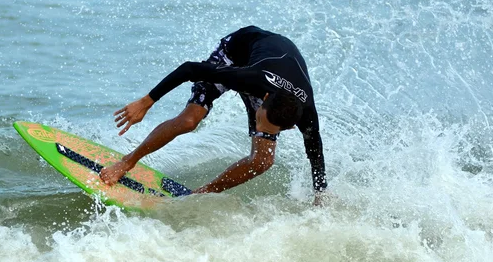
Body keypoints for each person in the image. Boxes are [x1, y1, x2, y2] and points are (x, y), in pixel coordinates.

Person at [100, 26, 327, 203]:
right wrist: (147, 101)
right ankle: (127, 162)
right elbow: (190, 68)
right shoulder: (249, 77)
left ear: (288, 126)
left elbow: (315, 152)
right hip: (237, 53)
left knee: (262, 161)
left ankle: (200, 193)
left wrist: (320, 194)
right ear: (265, 100)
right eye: (259, 118)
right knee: (190, 120)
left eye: (263, 126)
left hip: (273, 76)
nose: (257, 124)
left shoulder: (305, 114)